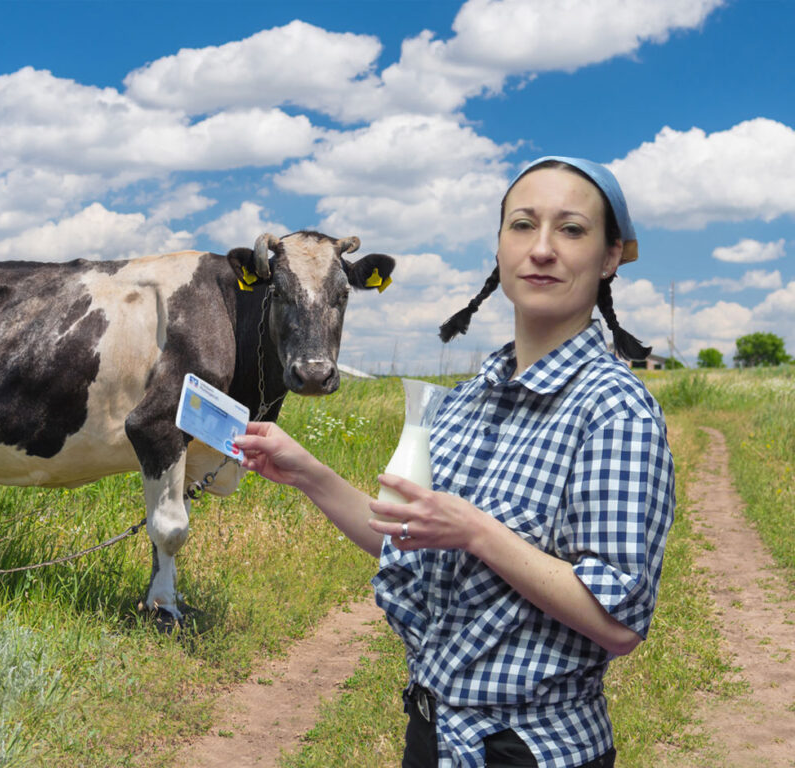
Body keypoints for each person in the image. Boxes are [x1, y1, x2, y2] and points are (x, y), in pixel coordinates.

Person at [233, 156, 675, 768]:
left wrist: (477, 532)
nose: (541, 248)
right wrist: (305, 470)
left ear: (608, 257)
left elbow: (618, 622)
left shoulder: (614, 410)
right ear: (499, 248)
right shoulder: (468, 399)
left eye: (570, 229)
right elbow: (408, 533)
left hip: (532, 751)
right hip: (435, 734)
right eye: (522, 225)